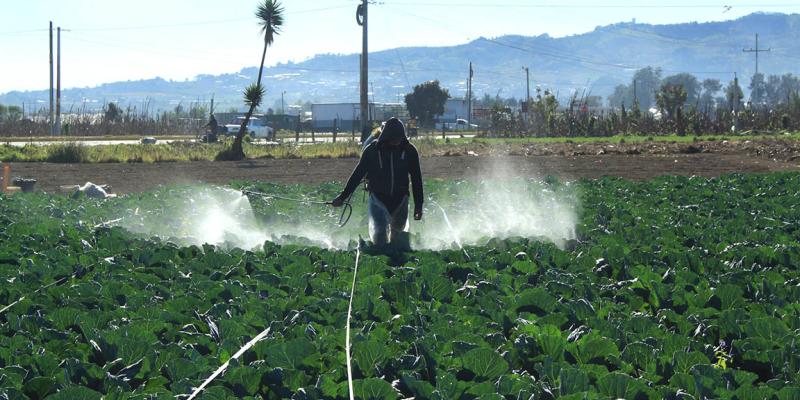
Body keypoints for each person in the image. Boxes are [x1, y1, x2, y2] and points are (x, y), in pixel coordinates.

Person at [332, 117, 423, 247]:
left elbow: (416, 179)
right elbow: (357, 175)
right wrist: (342, 197)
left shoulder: (410, 151)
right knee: (380, 236)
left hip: (401, 199)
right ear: (386, 136)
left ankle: (398, 263)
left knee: (399, 239)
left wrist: (419, 205)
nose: (397, 141)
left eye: (399, 138)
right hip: (378, 199)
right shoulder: (372, 151)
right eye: (394, 138)